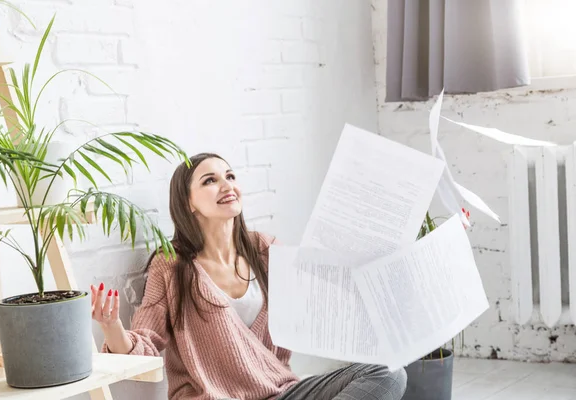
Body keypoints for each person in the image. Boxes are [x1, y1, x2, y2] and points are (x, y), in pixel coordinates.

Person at [90, 152, 407, 400]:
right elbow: (145, 342)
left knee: (389, 373)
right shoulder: (171, 265)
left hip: (281, 391)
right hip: (214, 398)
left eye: (230, 175)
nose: (227, 185)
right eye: (210, 180)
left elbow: (323, 297)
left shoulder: (265, 250)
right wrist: (110, 325)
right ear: (188, 203)